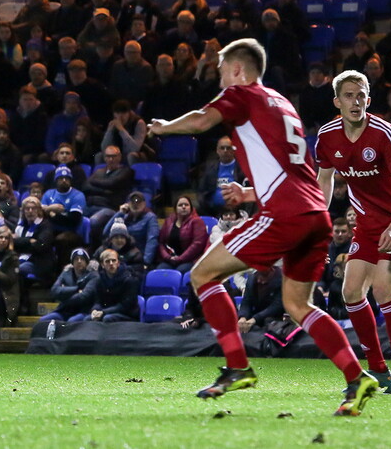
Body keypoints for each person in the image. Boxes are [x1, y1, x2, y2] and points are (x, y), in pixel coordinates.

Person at [148, 38, 377, 415]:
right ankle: (357, 378)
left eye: (222, 71)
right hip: (313, 215)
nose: (219, 79)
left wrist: (163, 128)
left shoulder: (242, 94)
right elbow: (293, 173)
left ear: (238, 70)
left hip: (284, 215)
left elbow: (202, 120)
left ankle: (238, 367)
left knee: (203, 275)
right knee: (297, 304)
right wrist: (250, 194)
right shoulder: (281, 103)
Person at [315, 70, 391, 395]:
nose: (356, 101)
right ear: (337, 101)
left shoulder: (384, 133)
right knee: (350, 292)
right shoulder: (327, 136)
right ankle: (377, 370)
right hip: (366, 222)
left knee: (383, 291)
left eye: (361, 95)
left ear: (369, 99)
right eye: (349, 95)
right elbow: (324, 179)